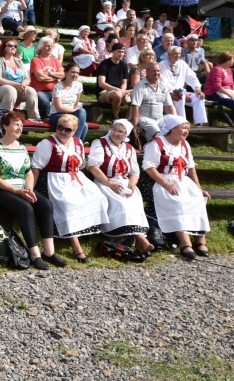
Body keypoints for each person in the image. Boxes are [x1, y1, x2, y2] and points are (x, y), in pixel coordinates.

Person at [0, 111, 66, 269]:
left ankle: (49, 252)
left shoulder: (22, 147)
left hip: (21, 187)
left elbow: (29, 172)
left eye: (21, 125)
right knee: (26, 208)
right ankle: (35, 254)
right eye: (16, 124)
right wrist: (17, 192)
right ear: (5, 126)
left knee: (46, 205)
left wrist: (29, 189)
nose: (19, 128)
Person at [32, 114, 109, 263]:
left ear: (74, 131)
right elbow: (35, 168)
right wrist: (30, 189)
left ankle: (88, 233)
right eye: (60, 127)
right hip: (53, 180)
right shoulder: (47, 144)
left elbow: (81, 166)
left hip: (75, 178)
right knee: (68, 204)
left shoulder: (78, 143)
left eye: (68, 130)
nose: (63, 132)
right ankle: (76, 246)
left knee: (97, 196)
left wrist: (86, 184)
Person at [142, 115, 211, 260]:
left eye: (188, 129)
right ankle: (185, 243)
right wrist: (166, 184)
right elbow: (149, 167)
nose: (186, 131)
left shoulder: (185, 145)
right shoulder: (156, 144)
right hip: (161, 179)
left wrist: (199, 188)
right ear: (172, 129)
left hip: (182, 179)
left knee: (199, 198)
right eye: (183, 128)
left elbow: (190, 167)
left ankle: (200, 240)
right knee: (177, 201)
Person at [87, 120, 153, 255]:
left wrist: (132, 184)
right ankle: (140, 239)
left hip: (125, 183)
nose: (116, 133)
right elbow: (93, 167)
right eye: (114, 129)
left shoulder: (129, 148)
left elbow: (135, 172)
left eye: (120, 131)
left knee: (133, 201)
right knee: (121, 203)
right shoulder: (100, 143)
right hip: (105, 182)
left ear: (126, 134)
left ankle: (135, 239)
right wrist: (110, 184)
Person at [0, 39, 40, 121]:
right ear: (3, 48)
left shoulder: (19, 61)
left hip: (18, 89)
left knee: (31, 91)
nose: (13, 47)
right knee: (10, 89)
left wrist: (22, 85)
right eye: (10, 45)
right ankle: (6, 119)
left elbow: (27, 79)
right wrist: (17, 85)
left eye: (15, 46)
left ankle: (34, 119)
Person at [160, 46, 208, 126]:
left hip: (181, 92)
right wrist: (182, 93)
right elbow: (165, 85)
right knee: (180, 96)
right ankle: (181, 123)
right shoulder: (162, 65)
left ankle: (200, 123)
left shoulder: (182, 63)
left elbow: (191, 77)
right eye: (175, 53)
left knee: (199, 97)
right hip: (168, 94)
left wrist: (197, 88)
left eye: (179, 53)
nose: (178, 55)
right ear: (169, 54)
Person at [130, 62, 177, 141]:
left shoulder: (163, 86)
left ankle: (174, 148)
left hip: (160, 119)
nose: (156, 73)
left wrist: (175, 121)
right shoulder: (140, 86)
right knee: (154, 128)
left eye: (158, 71)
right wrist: (135, 125)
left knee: (176, 127)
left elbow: (169, 106)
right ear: (147, 71)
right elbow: (135, 106)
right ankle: (156, 147)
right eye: (154, 71)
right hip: (144, 119)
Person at [48, 62, 88, 140]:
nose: (75, 74)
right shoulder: (58, 87)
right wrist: (75, 111)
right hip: (57, 114)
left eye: (77, 73)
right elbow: (59, 108)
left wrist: (75, 113)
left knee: (85, 125)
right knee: (81, 112)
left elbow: (75, 104)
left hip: (72, 114)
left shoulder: (78, 85)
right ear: (66, 73)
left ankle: (75, 145)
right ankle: (75, 142)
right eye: (72, 72)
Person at [30, 36, 65, 119]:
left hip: (55, 90)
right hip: (40, 91)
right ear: (40, 47)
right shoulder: (36, 60)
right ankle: (47, 118)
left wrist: (48, 73)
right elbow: (40, 77)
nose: (50, 48)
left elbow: (63, 75)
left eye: (51, 46)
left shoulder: (55, 60)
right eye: (47, 46)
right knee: (44, 101)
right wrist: (55, 77)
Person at [96, 42, 130, 119]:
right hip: (104, 92)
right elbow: (101, 83)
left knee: (137, 94)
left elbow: (124, 82)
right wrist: (117, 90)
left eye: (122, 52)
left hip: (119, 90)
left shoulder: (124, 65)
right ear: (113, 52)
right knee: (117, 95)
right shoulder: (104, 64)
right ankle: (116, 118)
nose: (121, 54)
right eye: (119, 51)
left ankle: (127, 119)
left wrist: (122, 90)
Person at [204, 52, 234, 121]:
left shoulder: (228, 70)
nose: (233, 61)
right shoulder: (217, 70)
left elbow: (232, 84)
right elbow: (217, 87)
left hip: (227, 92)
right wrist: (231, 96)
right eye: (232, 60)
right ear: (228, 61)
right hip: (213, 93)